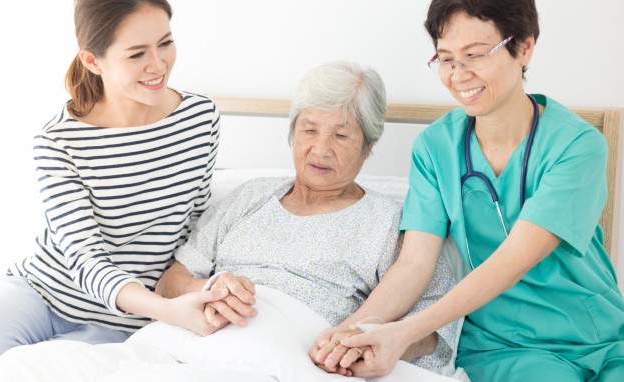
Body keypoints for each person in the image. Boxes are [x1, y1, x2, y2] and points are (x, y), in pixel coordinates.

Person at [312, 1, 624, 381]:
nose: (459, 75)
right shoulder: (435, 147)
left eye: (474, 55)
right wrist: (355, 330)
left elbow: (515, 257)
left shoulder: (578, 146)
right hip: (500, 345)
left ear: (524, 47)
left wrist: (404, 332)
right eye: (445, 59)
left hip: (595, 334)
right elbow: (414, 264)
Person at [0, 1, 225, 381]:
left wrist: (183, 293)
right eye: (137, 54)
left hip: (125, 317)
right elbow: (83, 258)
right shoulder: (58, 141)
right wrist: (169, 310)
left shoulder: (201, 118)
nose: (158, 65)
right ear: (94, 61)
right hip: (44, 292)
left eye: (165, 43)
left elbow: (196, 222)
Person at [155, 61, 460, 376]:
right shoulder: (249, 197)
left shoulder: (388, 222)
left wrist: (364, 343)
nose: (321, 148)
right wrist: (210, 290)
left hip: (296, 357)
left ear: (368, 146)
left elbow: (435, 329)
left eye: (341, 136)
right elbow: (169, 284)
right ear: (292, 132)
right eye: (309, 129)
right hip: (196, 346)